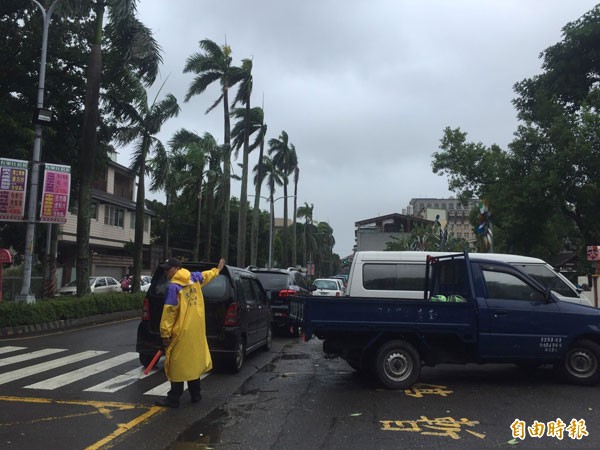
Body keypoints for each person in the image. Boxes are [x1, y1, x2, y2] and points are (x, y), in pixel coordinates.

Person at [154, 257, 226, 408]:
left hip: (180, 333)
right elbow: (207, 275)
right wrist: (217, 270)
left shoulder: (174, 287)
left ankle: (173, 398)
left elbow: (169, 312)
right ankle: (196, 394)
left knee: (176, 365)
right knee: (192, 363)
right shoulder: (193, 278)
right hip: (196, 331)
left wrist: (165, 334)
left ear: (176, 268)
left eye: (169, 268)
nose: (166, 271)